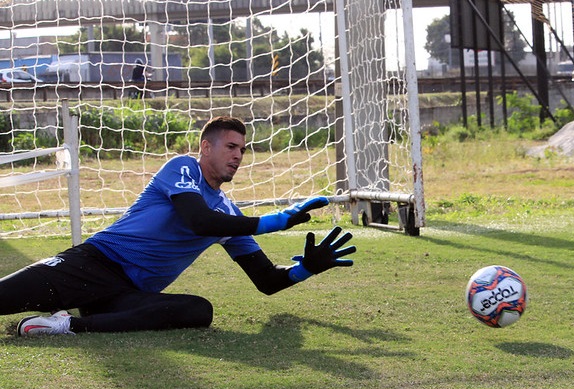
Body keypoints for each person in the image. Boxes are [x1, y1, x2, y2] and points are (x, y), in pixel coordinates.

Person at [1, 116, 356, 336]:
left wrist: (306, 269)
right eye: (231, 147)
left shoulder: (228, 212)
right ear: (206, 147)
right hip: (92, 264)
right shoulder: (183, 168)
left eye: (242, 150)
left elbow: (267, 281)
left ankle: (63, 326)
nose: (238, 156)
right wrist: (278, 221)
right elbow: (198, 220)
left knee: (198, 310)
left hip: (124, 296)